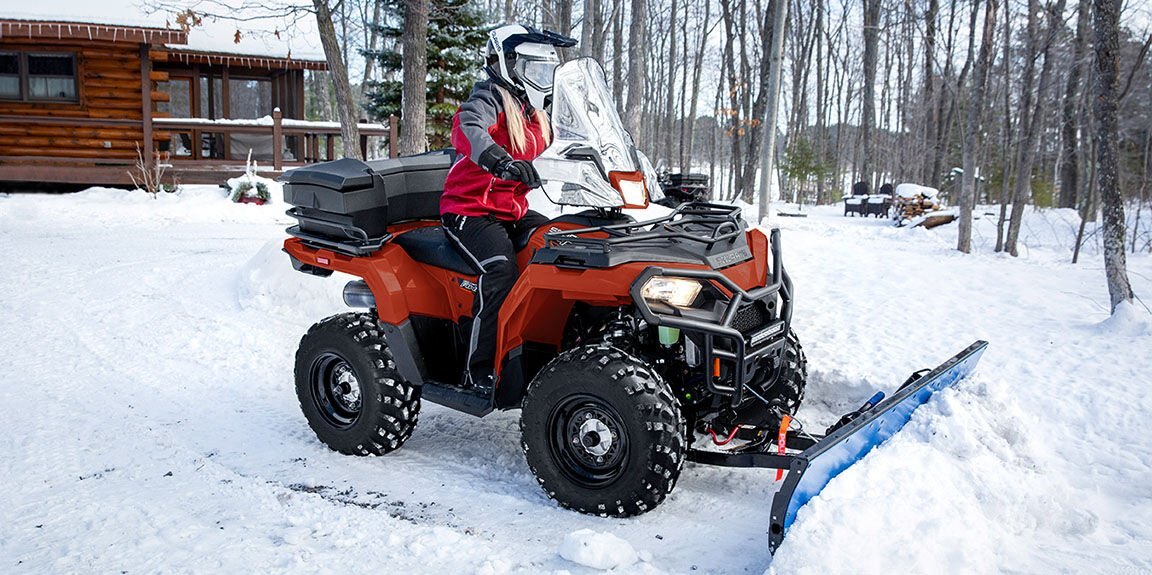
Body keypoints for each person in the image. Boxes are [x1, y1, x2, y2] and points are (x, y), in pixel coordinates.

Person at [440, 24, 576, 392]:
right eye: (534, 70)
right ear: (507, 64)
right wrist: (499, 162)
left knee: (564, 245)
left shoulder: (535, 111)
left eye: (547, 71)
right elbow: (467, 128)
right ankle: (480, 369)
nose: (542, 80)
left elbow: (573, 141)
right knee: (499, 270)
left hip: (510, 211)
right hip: (468, 210)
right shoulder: (489, 98)